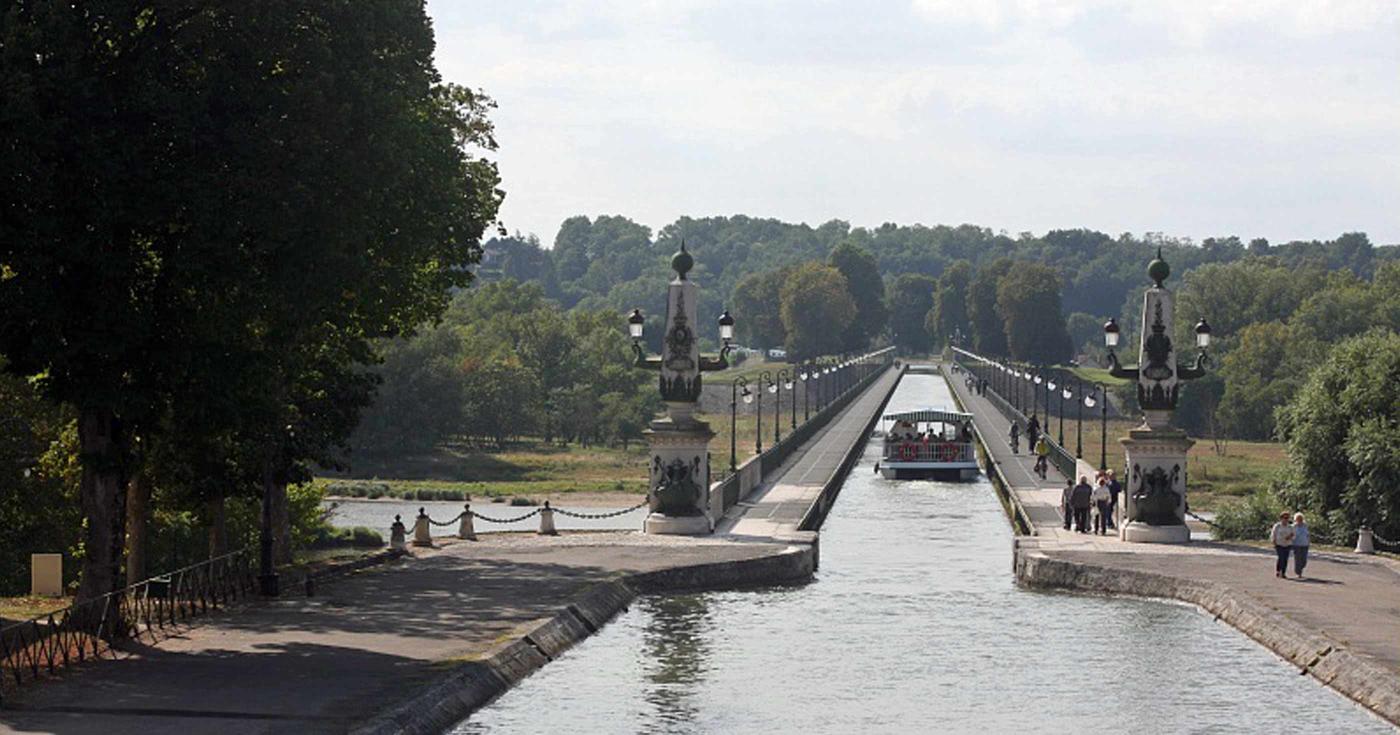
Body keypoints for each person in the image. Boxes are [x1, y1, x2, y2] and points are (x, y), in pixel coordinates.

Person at [1270, 512, 1296, 578]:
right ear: (1281, 518)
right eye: (1285, 518)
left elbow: (1294, 535)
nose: (1286, 519)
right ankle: (1278, 571)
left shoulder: (1290, 527)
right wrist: (1273, 541)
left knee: (1285, 559)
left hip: (1287, 544)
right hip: (1279, 544)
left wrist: (1290, 537)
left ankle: (1283, 572)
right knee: (1281, 557)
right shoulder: (1277, 526)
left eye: (1287, 518)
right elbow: (1273, 534)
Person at [1292, 512, 1310, 579]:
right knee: (1298, 559)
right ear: (1295, 519)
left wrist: (1308, 541)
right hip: (1297, 545)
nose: (1300, 520)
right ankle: (1298, 572)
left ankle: (1300, 568)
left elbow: (1307, 534)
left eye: (1301, 519)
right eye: (1298, 519)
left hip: (1305, 544)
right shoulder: (1293, 526)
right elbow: (1291, 535)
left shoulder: (1305, 526)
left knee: (1304, 560)